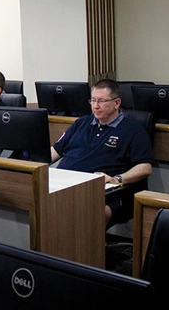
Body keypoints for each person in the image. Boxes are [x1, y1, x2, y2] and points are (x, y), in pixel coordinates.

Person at [51, 79, 154, 227]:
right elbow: (54, 151)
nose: (95, 106)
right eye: (92, 101)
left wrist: (117, 179)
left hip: (104, 193)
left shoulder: (133, 130)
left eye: (101, 101)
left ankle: (84, 249)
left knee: (86, 213)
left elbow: (145, 167)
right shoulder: (81, 123)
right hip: (65, 186)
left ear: (116, 103)